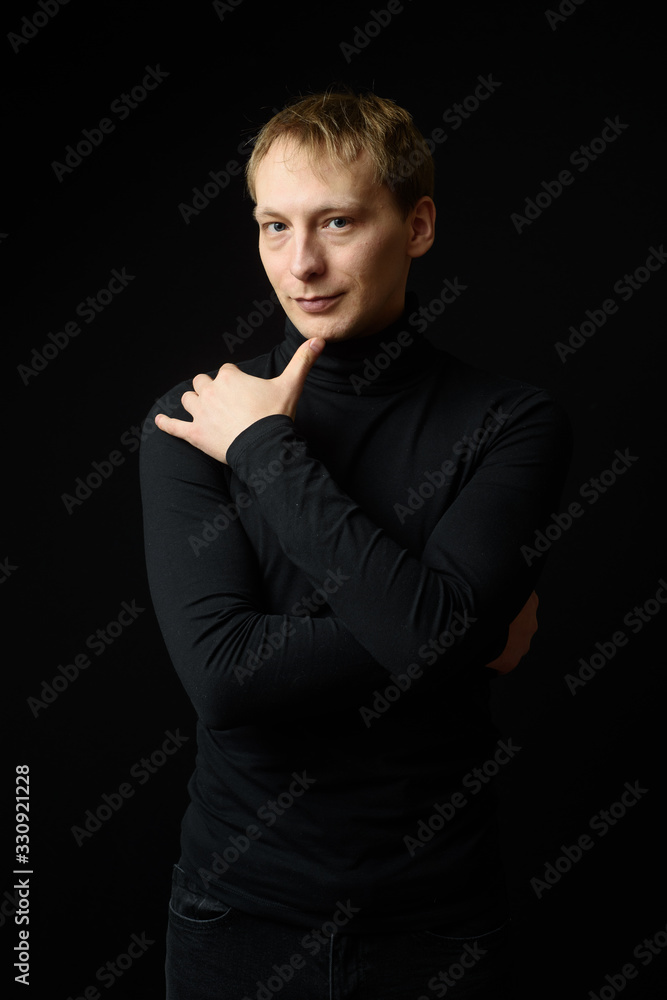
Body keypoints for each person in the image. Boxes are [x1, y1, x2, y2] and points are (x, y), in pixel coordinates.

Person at [140, 90, 572, 999]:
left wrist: (265, 453)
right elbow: (225, 675)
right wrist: (449, 627)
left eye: (337, 221)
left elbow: (432, 640)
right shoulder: (195, 418)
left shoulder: (508, 422)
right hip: (236, 920)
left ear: (415, 226)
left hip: (436, 927)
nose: (301, 264)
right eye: (272, 226)